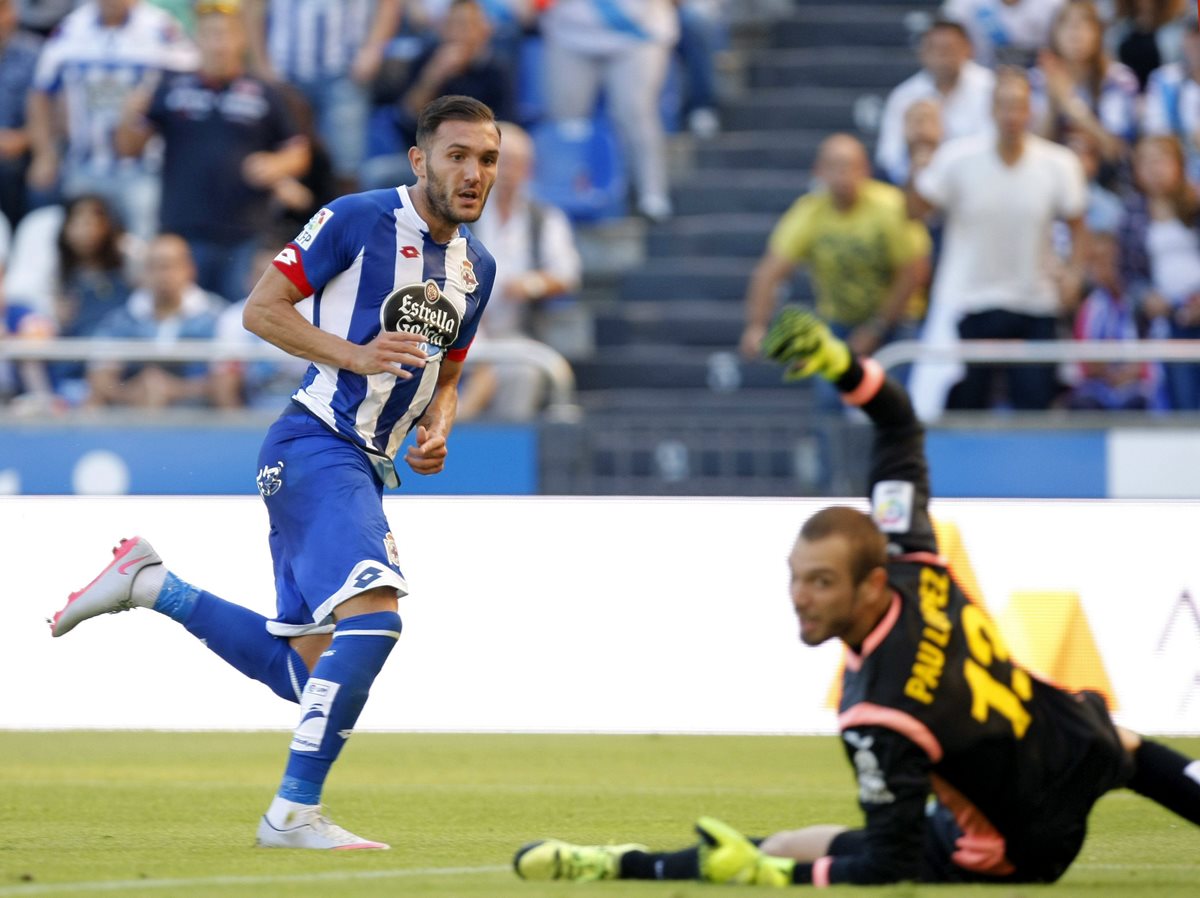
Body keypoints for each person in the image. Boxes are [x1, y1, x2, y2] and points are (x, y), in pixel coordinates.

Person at [512, 308, 1200, 886]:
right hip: (1074, 744)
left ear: (871, 584)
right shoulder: (916, 556)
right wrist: (844, 365)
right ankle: (630, 863)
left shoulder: (877, 709)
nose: (799, 599)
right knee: (1127, 744)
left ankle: (631, 867)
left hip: (1017, 849)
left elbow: (889, 862)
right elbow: (899, 425)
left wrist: (772, 879)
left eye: (821, 583)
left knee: (786, 851)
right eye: (796, 577)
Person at [48, 95, 500, 850]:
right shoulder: (357, 219)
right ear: (420, 160)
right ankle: (292, 814)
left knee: (310, 677)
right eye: (456, 155)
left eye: (486, 159)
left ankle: (155, 584)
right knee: (377, 617)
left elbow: (447, 376)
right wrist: (357, 355)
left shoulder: (476, 268)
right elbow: (262, 310)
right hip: (315, 443)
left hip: (361, 461)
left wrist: (436, 428)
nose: (472, 172)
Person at [907, 67, 1086, 414]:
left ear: (1029, 110)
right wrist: (919, 157)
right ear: (991, 109)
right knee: (965, 406)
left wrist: (1074, 273)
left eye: (1018, 105)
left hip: (1036, 301)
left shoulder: (1059, 163)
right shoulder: (957, 158)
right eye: (1004, 105)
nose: (1011, 114)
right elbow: (918, 210)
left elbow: (1078, 224)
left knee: (1036, 406)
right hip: (971, 299)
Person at [114, 1, 310, 304]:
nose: (219, 44)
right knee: (190, 320)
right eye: (210, 35)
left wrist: (277, 164)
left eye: (226, 34)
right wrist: (130, 113)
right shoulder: (171, 86)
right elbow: (128, 149)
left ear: (241, 39)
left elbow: (298, 151)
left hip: (246, 232)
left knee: (241, 317)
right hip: (183, 230)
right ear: (197, 40)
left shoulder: (265, 92)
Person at [740, 134, 930, 366]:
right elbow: (770, 272)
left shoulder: (890, 206)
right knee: (830, 393)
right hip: (841, 321)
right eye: (833, 166)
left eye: (850, 166)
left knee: (891, 395)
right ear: (818, 171)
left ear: (865, 170)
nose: (842, 175)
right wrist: (756, 326)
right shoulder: (809, 213)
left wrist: (876, 328)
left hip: (898, 320)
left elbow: (914, 271)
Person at [25, 0, 199, 240]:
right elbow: (40, 91)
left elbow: (193, 82)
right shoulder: (72, 27)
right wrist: (44, 153)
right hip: (84, 163)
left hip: (145, 167)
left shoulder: (160, 27)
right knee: (80, 243)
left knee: (145, 242)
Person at [468, 120, 580, 419]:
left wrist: (529, 285)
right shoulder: (462, 214)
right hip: (457, 329)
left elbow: (567, 274)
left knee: (523, 371)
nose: (506, 172)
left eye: (515, 164)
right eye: (498, 162)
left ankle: (497, 446)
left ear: (528, 169)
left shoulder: (543, 219)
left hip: (512, 332)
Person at [538, 0, 679, 222]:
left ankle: (651, 195)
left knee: (634, 111)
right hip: (570, 31)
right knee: (567, 121)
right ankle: (564, 196)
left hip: (638, 31)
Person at [245, 0, 403, 192]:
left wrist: (373, 50)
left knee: (346, 165)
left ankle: (344, 220)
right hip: (283, 72)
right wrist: (261, 63)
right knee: (280, 158)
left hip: (344, 70)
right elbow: (252, 5)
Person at [85, 233, 226, 408]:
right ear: (144, 272)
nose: (163, 275)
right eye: (154, 267)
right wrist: (133, 393)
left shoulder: (218, 317)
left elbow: (228, 384)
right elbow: (100, 378)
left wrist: (173, 390)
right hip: (132, 418)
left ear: (190, 269)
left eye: (169, 266)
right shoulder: (120, 320)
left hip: (201, 421)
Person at [875, 18, 995, 188]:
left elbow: (992, 145)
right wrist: (914, 156)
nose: (943, 55)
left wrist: (944, 161)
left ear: (968, 49)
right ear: (922, 53)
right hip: (920, 184)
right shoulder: (904, 96)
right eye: (935, 48)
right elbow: (889, 157)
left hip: (977, 183)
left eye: (950, 48)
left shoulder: (990, 88)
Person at [1030, 0, 1140, 164]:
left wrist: (1071, 105)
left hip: (1107, 177)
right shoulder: (1038, 79)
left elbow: (1115, 149)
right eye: (1067, 24)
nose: (1075, 33)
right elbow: (1032, 150)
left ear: (1098, 34)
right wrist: (1053, 106)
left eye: (1084, 24)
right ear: (1054, 34)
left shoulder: (1119, 79)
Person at [0, 0, 40, 226]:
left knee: (10, 171)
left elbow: (52, 115)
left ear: (12, 13)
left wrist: (24, 139)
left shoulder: (36, 54)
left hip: (23, 151)